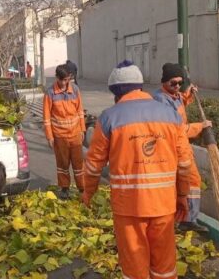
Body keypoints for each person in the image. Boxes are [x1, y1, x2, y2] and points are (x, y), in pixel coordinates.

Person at [81, 60, 192, 279]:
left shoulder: (109, 117)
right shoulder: (170, 115)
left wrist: (88, 193)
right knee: (165, 267)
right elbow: (185, 162)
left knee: (134, 269)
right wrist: (182, 195)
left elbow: (93, 166)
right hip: (163, 204)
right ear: (140, 86)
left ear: (116, 92)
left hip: (128, 208)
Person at [153, 63, 212, 233]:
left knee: (189, 183)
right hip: (173, 147)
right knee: (189, 182)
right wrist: (200, 126)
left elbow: (181, 103)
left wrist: (189, 93)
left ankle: (185, 218)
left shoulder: (174, 95)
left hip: (182, 146)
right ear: (164, 82)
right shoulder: (161, 101)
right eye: (173, 83)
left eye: (180, 83)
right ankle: (185, 219)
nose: (177, 86)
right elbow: (175, 129)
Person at [43, 64, 86, 199]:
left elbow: (80, 111)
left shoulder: (75, 90)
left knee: (79, 164)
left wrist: (82, 129)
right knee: (62, 164)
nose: (63, 83)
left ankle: (82, 188)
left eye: (66, 80)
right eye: (61, 80)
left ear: (69, 78)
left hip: (75, 134)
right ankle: (64, 188)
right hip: (59, 136)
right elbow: (46, 117)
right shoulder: (50, 93)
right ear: (57, 78)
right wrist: (49, 136)